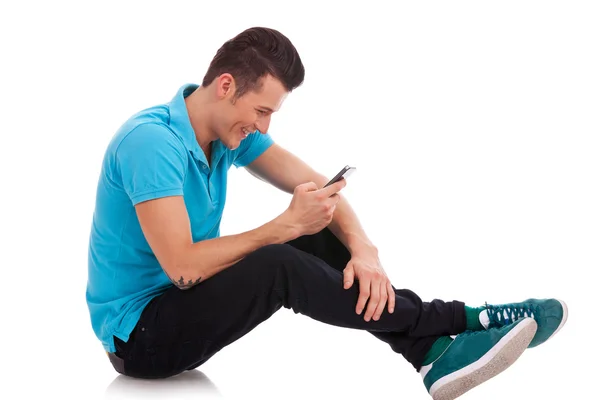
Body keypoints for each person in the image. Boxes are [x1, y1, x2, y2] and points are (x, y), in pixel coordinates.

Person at [86, 26, 568, 400]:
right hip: (141, 340)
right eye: (261, 111)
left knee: (319, 231)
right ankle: (463, 320)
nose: (263, 125)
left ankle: (429, 356)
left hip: (182, 308)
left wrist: (364, 249)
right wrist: (281, 227)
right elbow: (184, 268)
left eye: (271, 115)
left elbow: (322, 190)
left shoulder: (227, 134)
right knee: (277, 259)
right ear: (226, 86)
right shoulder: (152, 143)